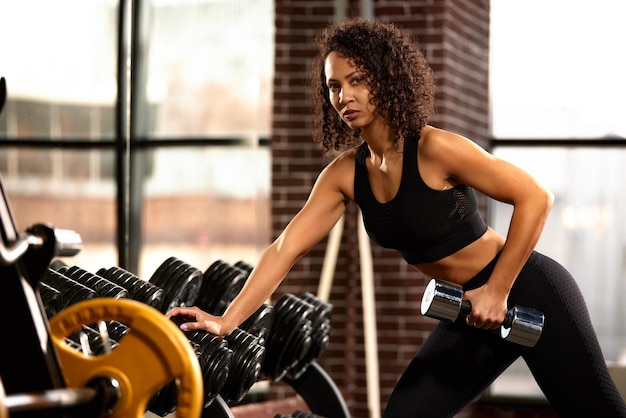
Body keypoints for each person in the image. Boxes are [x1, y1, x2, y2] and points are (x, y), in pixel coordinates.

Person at [168, 19, 626, 417]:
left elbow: (535, 197)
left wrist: (499, 288)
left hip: (529, 290)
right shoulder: (346, 174)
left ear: (385, 80)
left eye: (356, 80)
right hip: (470, 310)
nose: (344, 96)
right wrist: (226, 322)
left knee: (596, 412)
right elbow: (286, 247)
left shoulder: (434, 148)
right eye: (333, 86)